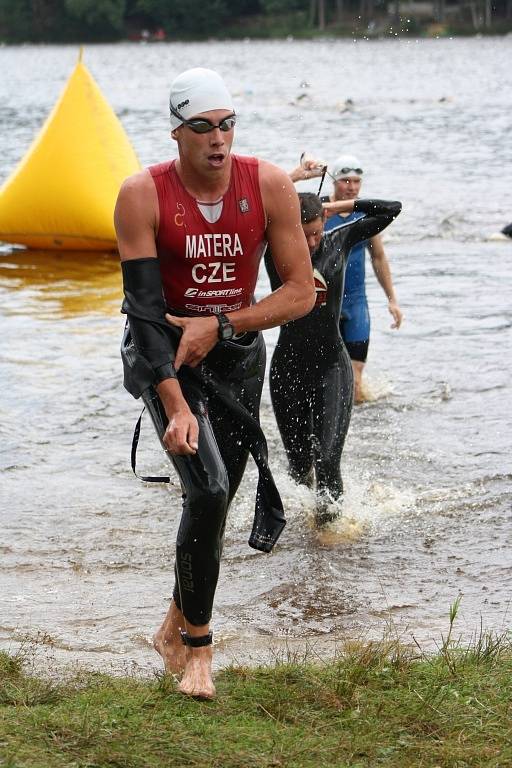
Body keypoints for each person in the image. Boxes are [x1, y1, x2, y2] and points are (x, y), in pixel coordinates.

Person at [114, 67, 315, 700]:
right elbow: (144, 315)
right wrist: (173, 404)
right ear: (177, 131)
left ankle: (173, 622)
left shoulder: (271, 185)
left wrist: (223, 324)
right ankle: (199, 652)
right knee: (207, 489)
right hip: (163, 356)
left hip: (235, 356)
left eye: (227, 125)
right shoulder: (141, 194)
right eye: (202, 127)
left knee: (217, 497)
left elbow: (300, 294)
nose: (218, 139)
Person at [265, 190, 401, 526]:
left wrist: (339, 206)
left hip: (331, 367)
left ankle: (331, 533)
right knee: (298, 466)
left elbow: (390, 209)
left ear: (324, 222)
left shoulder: (339, 239)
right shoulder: (273, 249)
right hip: (288, 369)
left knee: (327, 460)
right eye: (302, 233)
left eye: (315, 232)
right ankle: (306, 529)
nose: (310, 242)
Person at [323, 154, 403, 403]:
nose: (352, 187)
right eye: (346, 181)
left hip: (356, 304)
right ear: (334, 182)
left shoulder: (365, 216)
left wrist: (392, 300)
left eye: (357, 182)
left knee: (356, 382)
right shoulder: (320, 212)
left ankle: (359, 432)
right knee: (328, 375)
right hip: (326, 304)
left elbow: (378, 257)